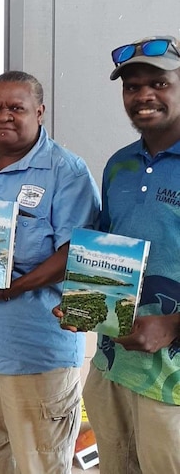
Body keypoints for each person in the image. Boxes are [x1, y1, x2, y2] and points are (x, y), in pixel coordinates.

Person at [0, 71, 100, 474]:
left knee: (39, 462)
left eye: (16, 107)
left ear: (40, 111)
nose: (3, 116)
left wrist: (10, 289)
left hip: (33, 350)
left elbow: (76, 252)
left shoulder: (67, 172)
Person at [58, 35, 180, 473]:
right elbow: (110, 249)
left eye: (159, 83)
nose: (143, 95)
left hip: (172, 383)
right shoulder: (120, 164)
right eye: (132, 86)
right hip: (113, 365)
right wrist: (84, 302)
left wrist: (173, 323)